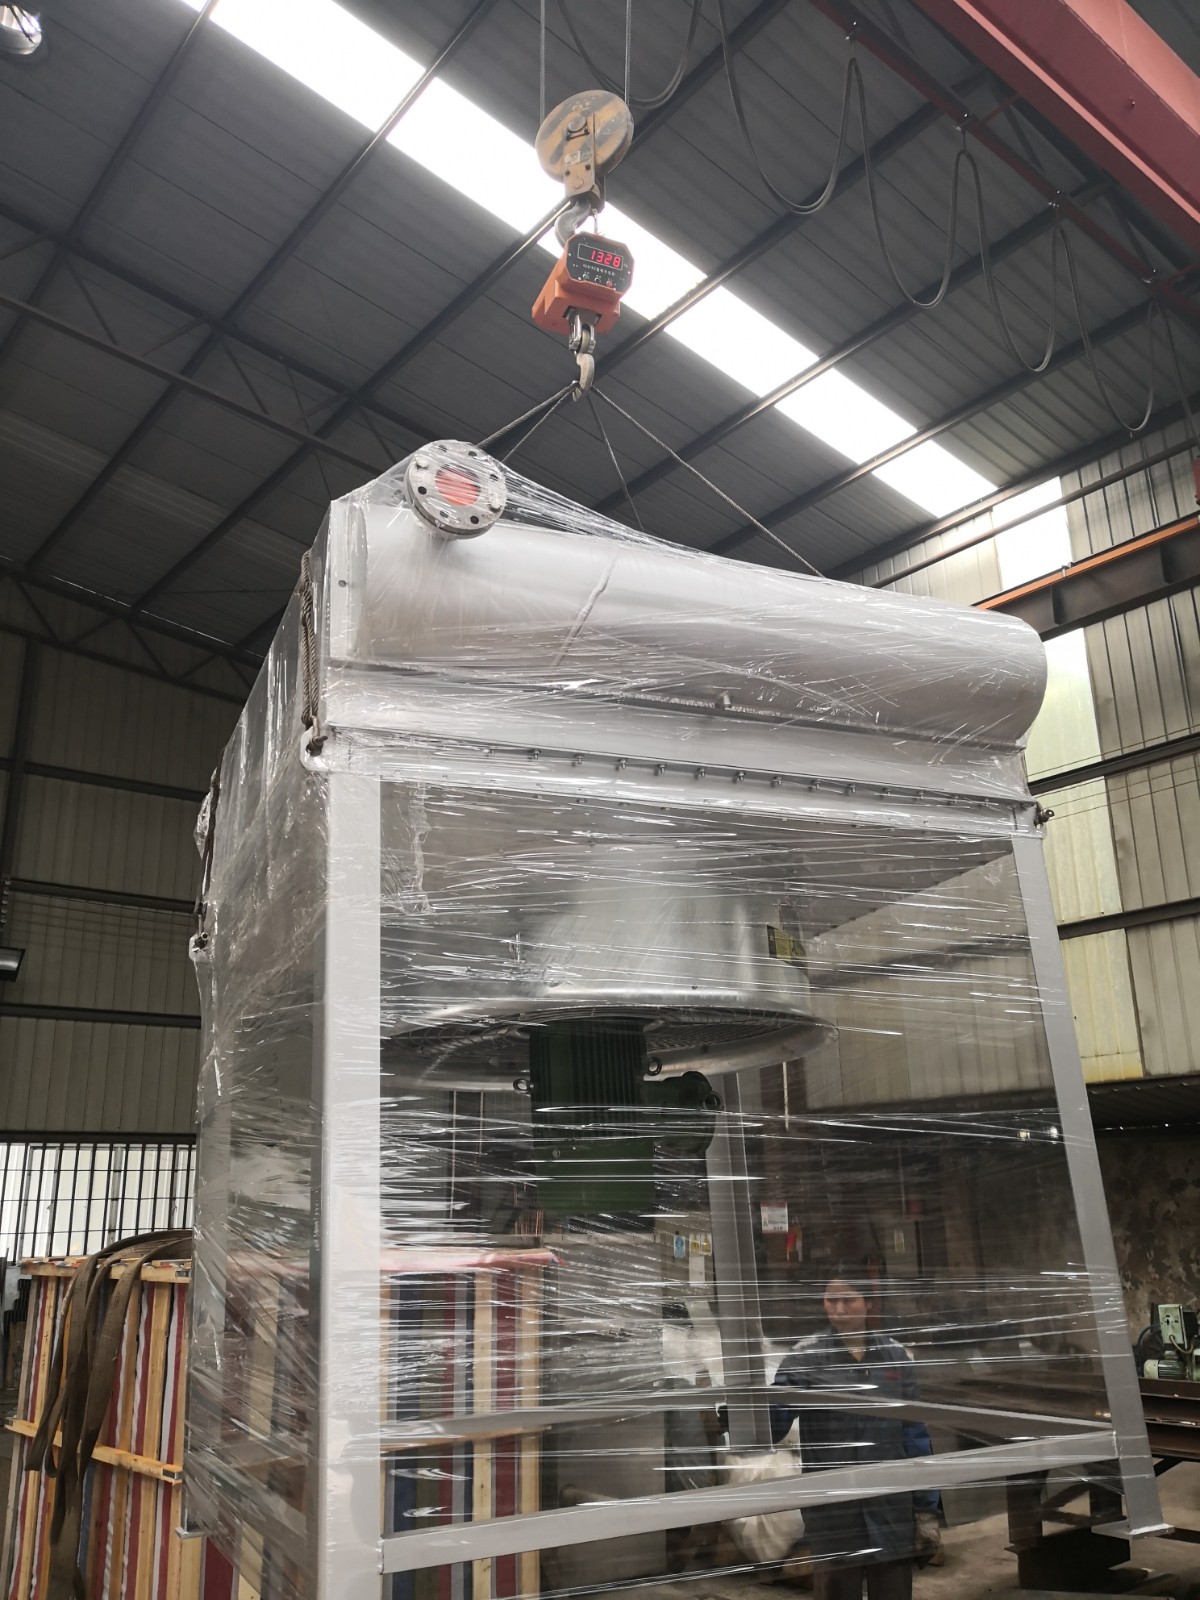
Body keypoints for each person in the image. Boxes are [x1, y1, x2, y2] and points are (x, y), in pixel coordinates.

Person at [769, 1269, 941, 1600]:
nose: (839, 1309)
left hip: (890, 1510)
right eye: (831, 1300)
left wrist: (926, 1510)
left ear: (869, 1303)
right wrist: (745, 1410)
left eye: (848, 1300)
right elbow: (776, 1420)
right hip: (834, 1513)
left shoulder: (895, 1357)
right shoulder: (806, 1358)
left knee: (892, 1591)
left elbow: (915, 1436)